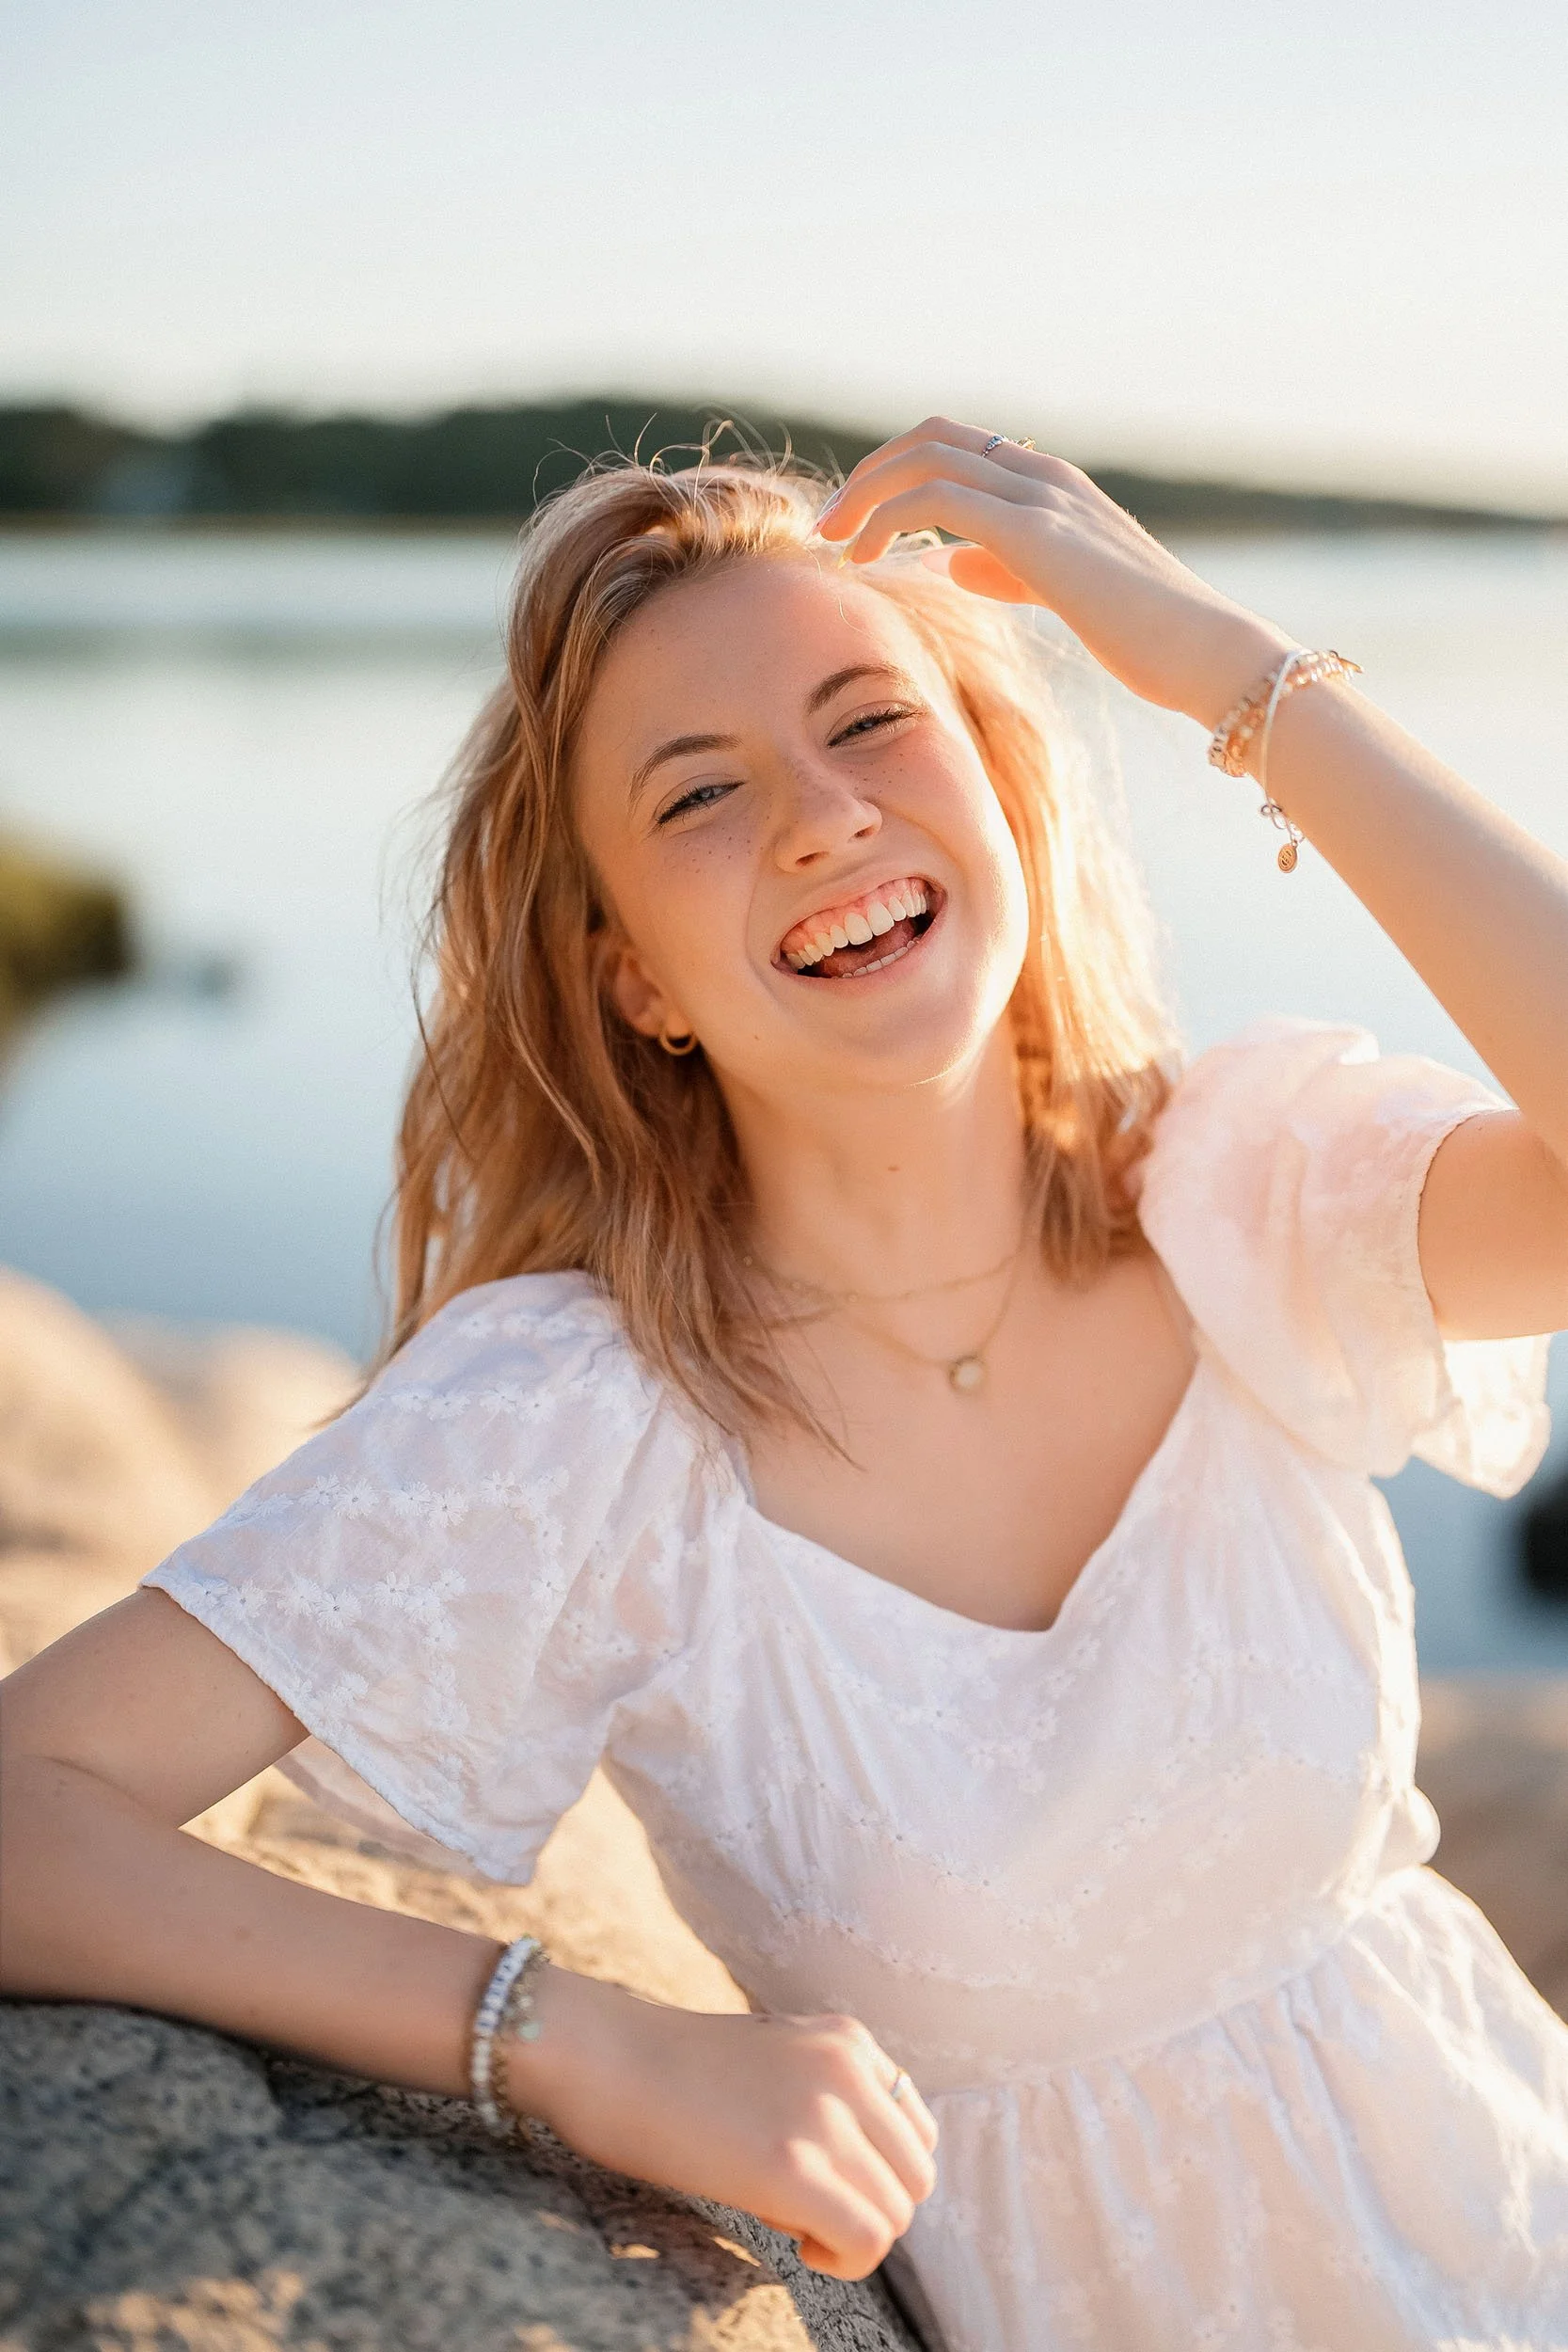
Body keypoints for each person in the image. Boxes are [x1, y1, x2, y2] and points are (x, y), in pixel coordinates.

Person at [6, 420, 1568, 2350]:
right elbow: (22, 1810)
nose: (821, 816)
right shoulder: (581, 1415)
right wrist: (563, 2035)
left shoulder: (1239, 1182)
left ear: (1001, 787)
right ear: (632, 978)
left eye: (870, 721)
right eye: (698, 795)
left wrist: (1214, 662)